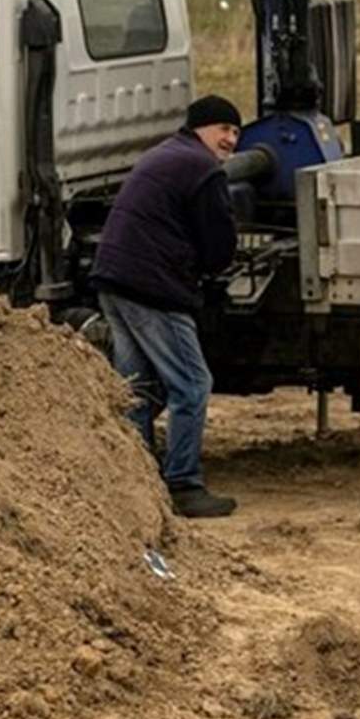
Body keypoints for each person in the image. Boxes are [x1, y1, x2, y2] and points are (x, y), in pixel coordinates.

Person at [91, 94, 242, 518]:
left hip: (115, 279)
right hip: (151, 288)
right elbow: (218, 242)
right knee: (191, 384)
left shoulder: (165, 154)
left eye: (235, 132)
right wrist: (211, 269)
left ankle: (134, 482)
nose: (230, 139)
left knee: (135, 389)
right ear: (200, 129)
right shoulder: (202, 168)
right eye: (223, 129)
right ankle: (183, 486)